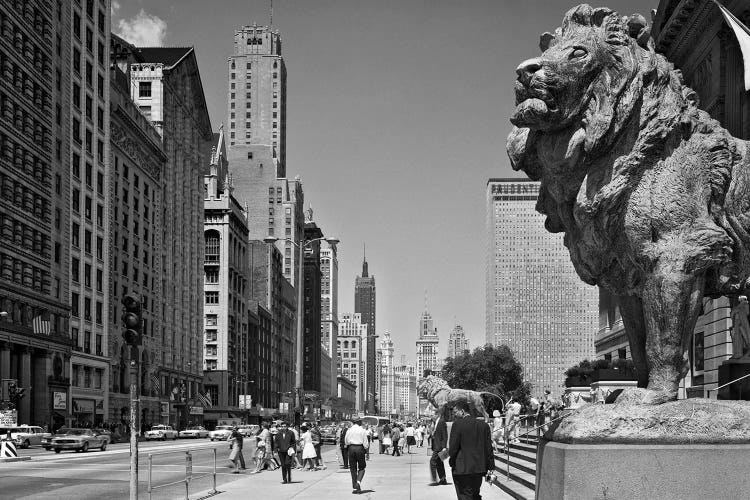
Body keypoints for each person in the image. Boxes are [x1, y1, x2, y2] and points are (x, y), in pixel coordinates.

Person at [448, 401, 494, 500]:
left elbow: (453, 448)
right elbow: (488, 448)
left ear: (463, 411)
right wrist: (491, 466)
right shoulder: (484, 426)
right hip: (479, 468)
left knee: (464, 495)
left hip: (462, 468)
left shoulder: (457, 424)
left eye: (456, 412)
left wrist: (452, 462)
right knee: (475, 494)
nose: (454, 415)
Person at [345, 417, 369, 494]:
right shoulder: (362, 430)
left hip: (351, 448)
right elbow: (366, 443)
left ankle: (355, 486)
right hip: (359, 448)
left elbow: (346, 441)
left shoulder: (349, 430)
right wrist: (367, 452)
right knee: (362, 467)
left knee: (353, 468)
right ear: (359, 422)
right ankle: (358, 483)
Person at [429, 410, 448, 486]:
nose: (431, 416)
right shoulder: (435, 423)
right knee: (439, 463)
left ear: (437, 415)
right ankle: (443, 479)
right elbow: (434, 435)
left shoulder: (441, 422)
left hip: (439, 447)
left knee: (432, 461)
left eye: (432, 415)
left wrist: (444, 447)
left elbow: (445, 435)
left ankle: (434, 480)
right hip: (436, 446)